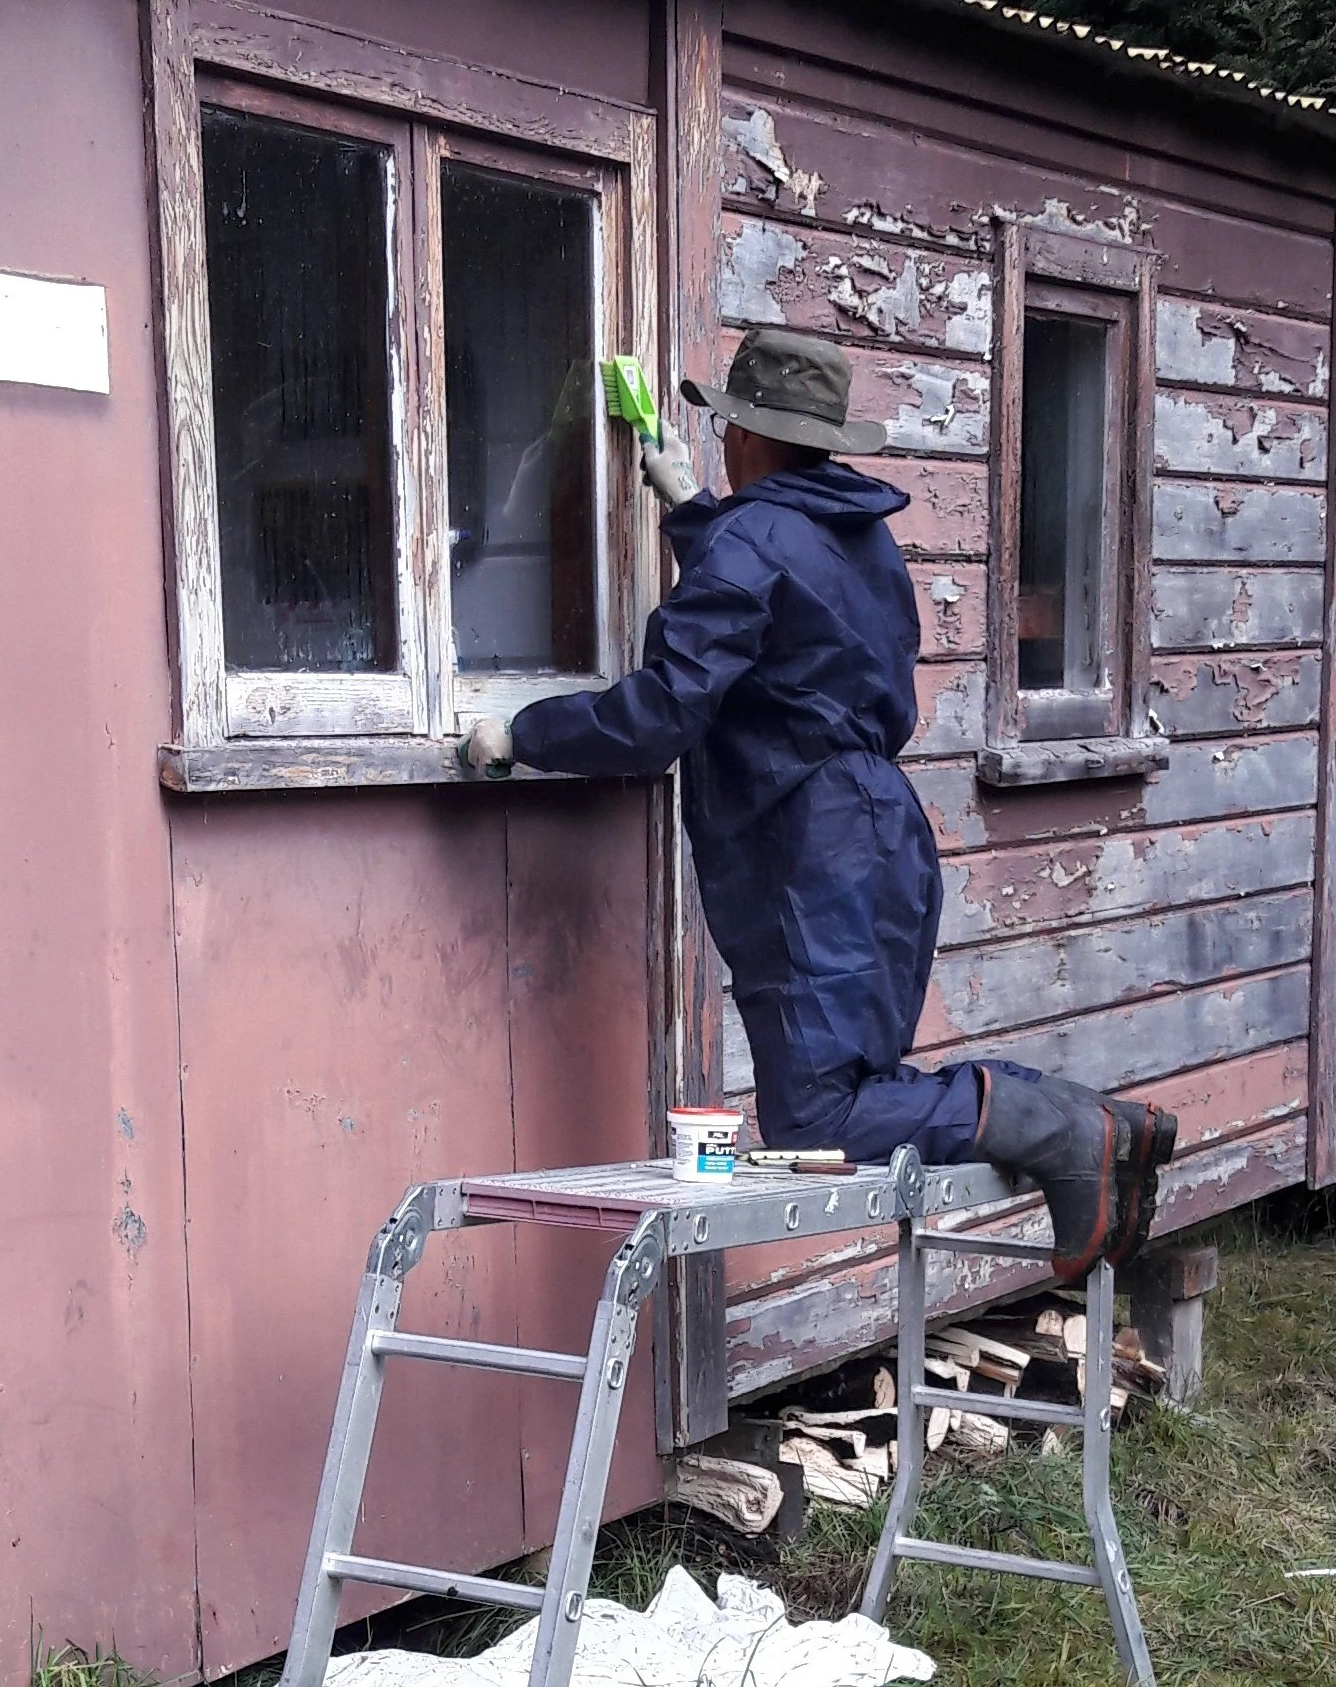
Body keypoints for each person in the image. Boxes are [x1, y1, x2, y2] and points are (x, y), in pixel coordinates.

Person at [456, 325, 1172, 1281]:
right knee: (860, 1090)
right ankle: (1106, 1131)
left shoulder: (753, 538)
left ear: (744, 433)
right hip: (882, 830)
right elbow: (789, 604)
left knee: (822, 1117)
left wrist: (524, 733)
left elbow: (664, 712)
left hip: (805, 846)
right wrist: (691, 511)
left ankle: (1066, 1128)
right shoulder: (861, 539)